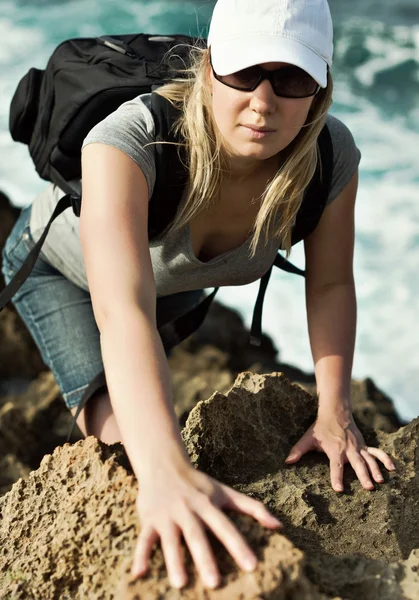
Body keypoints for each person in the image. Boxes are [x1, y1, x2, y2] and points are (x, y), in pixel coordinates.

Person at [1, 0, 396, 590]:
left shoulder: (330, 155)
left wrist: (335, 411)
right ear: (209, 66)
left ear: (321, 87)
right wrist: (165, 471)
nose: (263, 103)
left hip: (174, 288)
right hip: (66, 275)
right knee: (124, 440)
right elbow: (123, 312)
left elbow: (333, 281)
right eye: (243, 73)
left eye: (290, 79)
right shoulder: (129, 141)